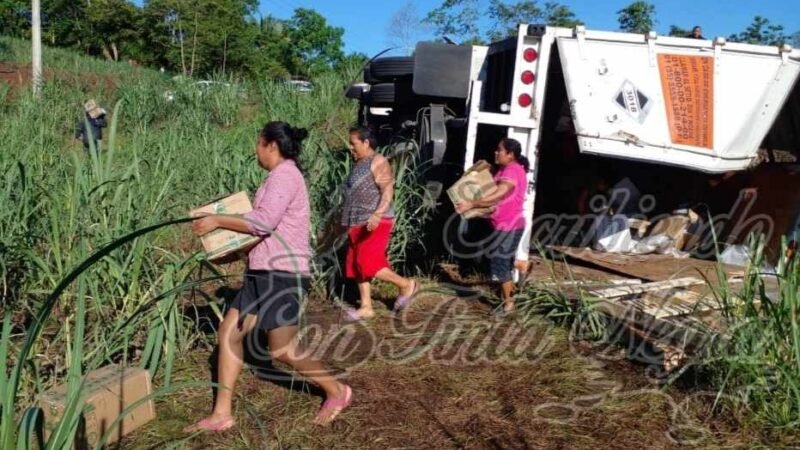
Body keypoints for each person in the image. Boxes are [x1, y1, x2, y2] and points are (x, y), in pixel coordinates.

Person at [186, 122, 352, 432]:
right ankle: (222, 413)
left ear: (270, 145)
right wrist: (232, 249)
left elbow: (262, 223)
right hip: (261, 271)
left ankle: (337, 390)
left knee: (281, 349)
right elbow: (266, 231)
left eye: (258, 143)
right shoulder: (276, 178)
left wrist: (217, 220)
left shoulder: (285, 176)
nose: (255, 149)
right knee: (229, 333)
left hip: (282, 273)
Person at [340, 126, 418, 321]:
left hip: (376, 220)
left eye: (353, 143)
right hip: (356, 223)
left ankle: (406, 285)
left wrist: (377, 213)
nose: (350, 147)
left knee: (366, 262)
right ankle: (366, 306)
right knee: (355, 264)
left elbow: (387, 190)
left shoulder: (378, 161)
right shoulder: (359, 163)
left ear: (366, 143)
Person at [456, 138, 529, 316]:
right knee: (503, 262)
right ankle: (515, 285)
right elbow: (495, 203)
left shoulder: (511, 170)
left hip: (509, 227)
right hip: (504, 225)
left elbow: (499, 194)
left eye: (500, 150)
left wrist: (471, 204)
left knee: (499, 263)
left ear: (510, 155)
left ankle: (508, 305)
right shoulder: (505, 169)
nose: (496, 153)